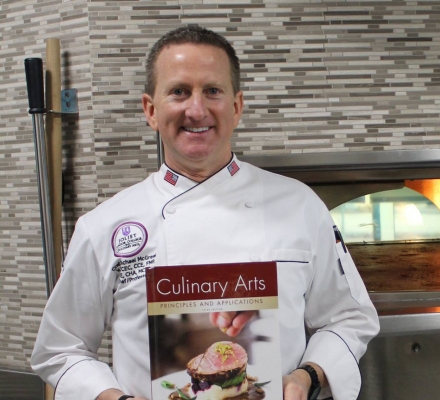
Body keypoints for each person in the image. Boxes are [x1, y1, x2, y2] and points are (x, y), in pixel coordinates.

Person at [31, 25, 380, 400]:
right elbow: (60, 348)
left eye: (212, 91)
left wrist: (307, 377)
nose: (196, 110)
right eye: (179, 91)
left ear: (236, 106)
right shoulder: (104, 226)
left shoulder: (300, 206)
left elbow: (349, 317)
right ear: (151, 109)